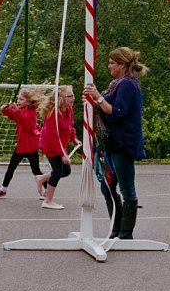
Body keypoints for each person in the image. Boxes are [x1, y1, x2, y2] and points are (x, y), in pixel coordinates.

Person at [83, 47, 147, 240]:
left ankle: (126, 234)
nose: (109, 66)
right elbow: (105, 108)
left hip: (123, 143)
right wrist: (93, 105)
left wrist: (98, 97)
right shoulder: (116, 84)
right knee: (107, 185)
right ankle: (116, 228)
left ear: (122, 65)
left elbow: (117, 111)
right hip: (111, 142)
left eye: (112, 62)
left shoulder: (128, 84)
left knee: (126, 187)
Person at [0, 87, 45, 199]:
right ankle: (3, 189)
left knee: (36, 170)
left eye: (21, 99)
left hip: (31, 146)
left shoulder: (31, 112)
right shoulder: (21, 109)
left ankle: (48, 190)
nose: (18, 101)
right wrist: (5, 109)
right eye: (18, 99)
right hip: (21, 145)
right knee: (11, 167)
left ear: (28, 102)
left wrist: (16, 110)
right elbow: (12, 115)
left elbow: (27, 124)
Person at [37, 85, 81, 210]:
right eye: (69, 96)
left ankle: (42, 178)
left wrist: (74, 139)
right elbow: (53, 137)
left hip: (61, 146)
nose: (73, 98)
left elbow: (70, 127)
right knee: (57, 171)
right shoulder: (53, 114)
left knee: (66, 171)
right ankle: (48, 200)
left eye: (73, 95)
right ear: (61, 98)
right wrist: (62, 155)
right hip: (51, 146)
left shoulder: (69, 110)